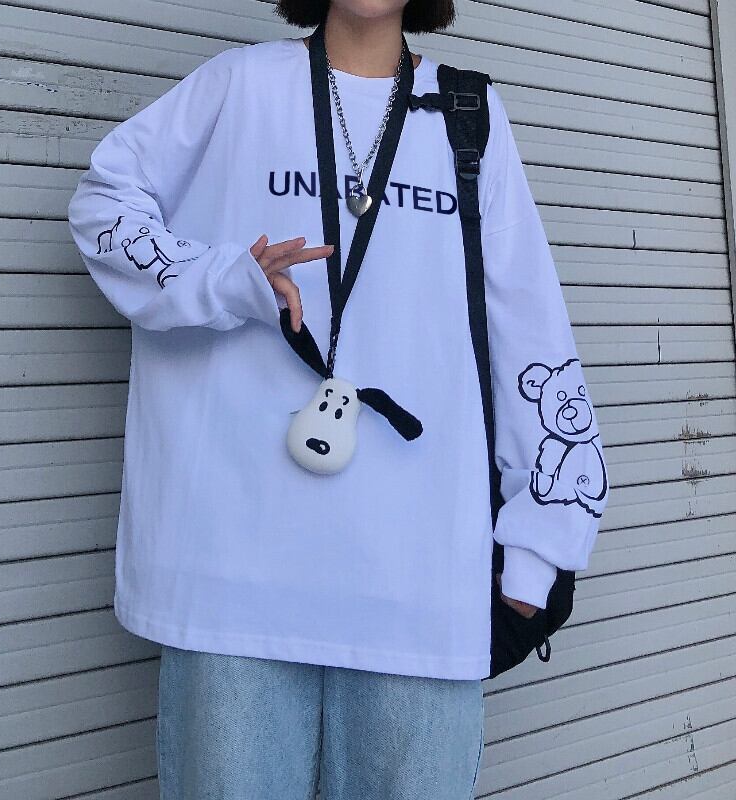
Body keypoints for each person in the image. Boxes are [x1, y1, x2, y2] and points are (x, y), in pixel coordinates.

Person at [67, 0, 609, 797]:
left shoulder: (467, 114)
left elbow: (527, 328)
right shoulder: (238, 87)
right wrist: (223, 279)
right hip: (232, 585)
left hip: (418, 587)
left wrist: (540, 546)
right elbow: (103, 204)